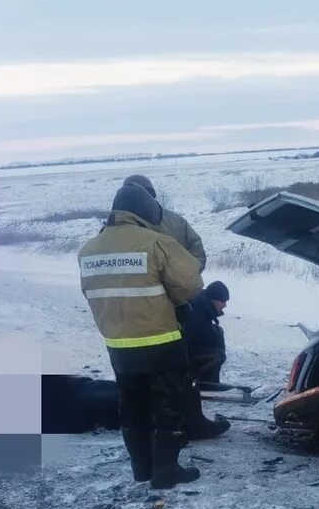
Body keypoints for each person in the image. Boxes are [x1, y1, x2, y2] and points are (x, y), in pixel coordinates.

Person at [77, 180, 203, 488]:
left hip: (118, 345)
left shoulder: (89, 249)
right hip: (161, 341)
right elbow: (191, 284)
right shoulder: (156, 242)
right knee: (167, 406)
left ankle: (142, 469)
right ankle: (166, 471)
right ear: (146, 211)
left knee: (131, 407)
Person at [179, 280, 231, 439]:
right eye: (223, 302)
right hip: (184, 356)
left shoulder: (202, 305)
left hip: (184, 352)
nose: (224, 306)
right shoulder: (199, 311)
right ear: (215, 299)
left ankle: (202, 383)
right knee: (217, 355)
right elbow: (195, 339)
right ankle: (204, 383)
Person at [123, 174, 207, 272]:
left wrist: (183, 278)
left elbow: (197, 253)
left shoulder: (177, 222)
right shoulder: (116, 225)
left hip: (174, 285)